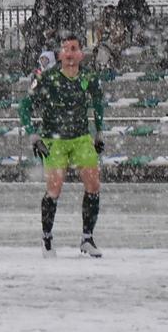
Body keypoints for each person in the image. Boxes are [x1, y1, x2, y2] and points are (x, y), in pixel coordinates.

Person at [18, 33, 106, 258]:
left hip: (80, 137)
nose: (69, 53)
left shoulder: (89, 77)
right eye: (65, 49)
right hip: (53, 139)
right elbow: (24, 107)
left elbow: (97, 102)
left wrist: (99, 132)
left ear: (81, 54)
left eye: (74, 48)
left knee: (93, 184)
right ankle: (46, 238)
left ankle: (87, 238)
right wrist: (34, 136)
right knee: (54, 189)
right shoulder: (47, 78)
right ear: (59, 54)